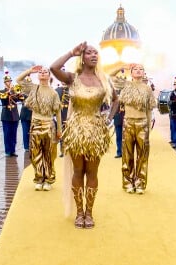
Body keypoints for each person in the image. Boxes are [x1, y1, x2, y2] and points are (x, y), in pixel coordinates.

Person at [50, 41, 119, 229]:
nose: (93, 55)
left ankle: (89, 212)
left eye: (96, 53)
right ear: (83, 57)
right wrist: (71, 52)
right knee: (78, 171)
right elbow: (53, 67)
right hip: (76, 131)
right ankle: (79, 212)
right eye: (89, 53)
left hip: (96, 132)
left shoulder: (104, 79)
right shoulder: (73, 78)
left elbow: (115, 100)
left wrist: (109, 118)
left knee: (92, 172)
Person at [17, 66, 62, 191]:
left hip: (49, 125)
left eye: (45, 72)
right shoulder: (33, 88)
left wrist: (59, 130)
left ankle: (48, 179)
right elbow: (19, 80)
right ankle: (39, 178)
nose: (42, 73)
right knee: (35, 153)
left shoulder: (53, 92)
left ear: (49, 76)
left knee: (49, 154)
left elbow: (58, 112)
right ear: (38, 75)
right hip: (35, 124)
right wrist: (29, 71)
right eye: (41, 72)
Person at [118, 64, 157, 194]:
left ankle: (140, 183)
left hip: (142, 123)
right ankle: (128, 182)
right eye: (136, 69)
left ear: (144, 73)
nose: (138, 71)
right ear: (131, 72)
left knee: (142, 155)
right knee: (127, 155)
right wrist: (121, 66)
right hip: (128, 123)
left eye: (141, 69)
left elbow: (149, 109)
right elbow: (111, 77)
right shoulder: (126, 85)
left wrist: (149, 127)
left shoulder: (147, 89)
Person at [0, 72, 23, 157]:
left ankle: (13, 150)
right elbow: (4, 100)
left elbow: (19, 100)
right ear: (4, 83)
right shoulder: (1, 91)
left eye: (10, 81)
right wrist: (9, 91)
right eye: (8, 81)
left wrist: (18, 93)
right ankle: (8, 151)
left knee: (13, 134)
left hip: (15, 115)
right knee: (7, 134)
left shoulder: (14, 91)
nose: (10, 83)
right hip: (6, 115)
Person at [55, 82, 70, 157]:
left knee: (70, 131)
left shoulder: (71, 89)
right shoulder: (57, 90)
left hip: (69, 112)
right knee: (61, 131)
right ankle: (62, 150)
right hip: (61, 112)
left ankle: (70, 148)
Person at [19, 75, 32, 152]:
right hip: (24, 114)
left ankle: (32, 144)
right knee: (25, 131)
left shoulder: (33, 92)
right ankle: (26, 146)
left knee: (32, 131)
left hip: (32, 114)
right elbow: (20, 99)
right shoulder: (22, 93)